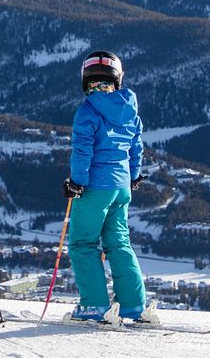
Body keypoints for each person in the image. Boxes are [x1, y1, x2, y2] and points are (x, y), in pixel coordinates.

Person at [63, 50, 154, 325]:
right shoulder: (130, 110)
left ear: (85, 79)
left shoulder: (88, 111)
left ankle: (94, 306)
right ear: (118, 78)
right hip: (121, 186)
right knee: (119, 243)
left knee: (83, 243)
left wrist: (76, 182)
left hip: (94, 187)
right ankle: (133, 306)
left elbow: (82, 151)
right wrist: (134, 175)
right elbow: (135, 146)